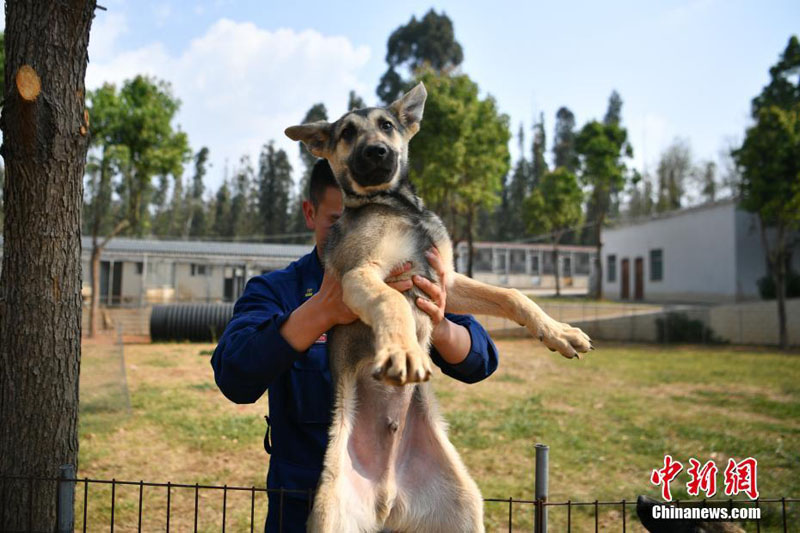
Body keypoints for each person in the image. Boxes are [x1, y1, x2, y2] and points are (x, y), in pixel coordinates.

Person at [211, 159, 499, 532]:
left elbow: (481, 361)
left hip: (404, 507)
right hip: (306, 503)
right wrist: (321, 312)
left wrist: (438, 323)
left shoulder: (407, 275)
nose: (354, 235)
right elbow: (234, 375)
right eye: (338, 222)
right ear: (310, 213)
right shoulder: (277, 290)